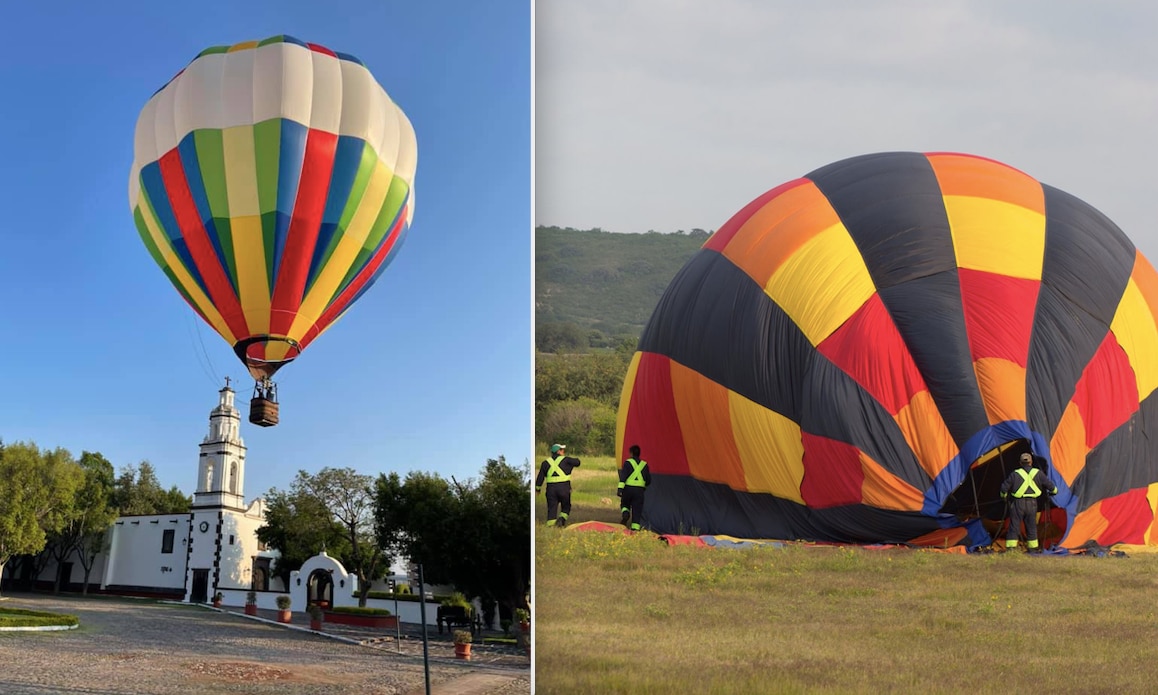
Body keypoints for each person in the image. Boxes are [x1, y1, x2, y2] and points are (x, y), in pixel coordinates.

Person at [1000, 452, 1058, 553]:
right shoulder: (1038, 473)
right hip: (1032, 504)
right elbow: (1052, 488)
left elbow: (1004, 488)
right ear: (1031, 462)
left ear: (1020, 463)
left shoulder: (1015, 474)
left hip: (1018, 503)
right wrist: (1053, 492)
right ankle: (1033, 549)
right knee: (1031, 526)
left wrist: (1004, 497)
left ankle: (1011, 549)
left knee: (1014, 526)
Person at [535, 444, 581, 527]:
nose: (564, 451)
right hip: (564, 489)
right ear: (558, 451)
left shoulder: (545, 463)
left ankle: (551, 526)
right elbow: (578, 462)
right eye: (562, 450)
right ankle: (561, 520)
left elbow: (540, 477)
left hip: (551, 490)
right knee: (566, 506)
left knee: (552, 508)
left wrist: (537, 489)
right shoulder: (566, 460)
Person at [618, 444, 651, 531]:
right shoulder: (645, 465)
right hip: (639, 491)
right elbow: (648, 480)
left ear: (631, 453)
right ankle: (635, 530)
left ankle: (625, 513)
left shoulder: (628, 463)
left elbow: (623, 476)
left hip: (628, 489)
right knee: (637, 510)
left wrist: (620, 489)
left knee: (625, 504)